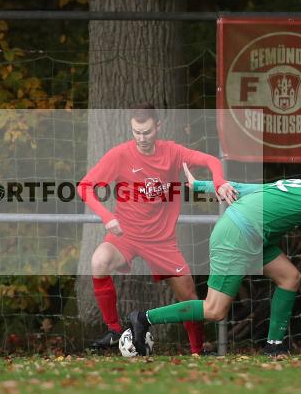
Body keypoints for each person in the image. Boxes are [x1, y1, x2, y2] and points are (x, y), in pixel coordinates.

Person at [127, 169, 301, 356]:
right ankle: (144, 319)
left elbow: (241, 187)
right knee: (215, 310)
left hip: (252, 236)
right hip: (238, 235)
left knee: (289, 277)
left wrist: (200, 184)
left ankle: (274, 345)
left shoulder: (299, 185)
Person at [77, 104, 238, 354]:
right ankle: (114, 331)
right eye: (137, 132)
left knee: (189, 296)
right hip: (126, 235)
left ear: (158, 127)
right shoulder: (120, 155)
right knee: (99, 261)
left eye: (147, 132)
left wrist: (219, 182)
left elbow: (210, 160)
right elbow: (85, 187)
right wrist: (107, 216)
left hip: (161, 241)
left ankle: (197, 350)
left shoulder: (172, 152)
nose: (142, 138)